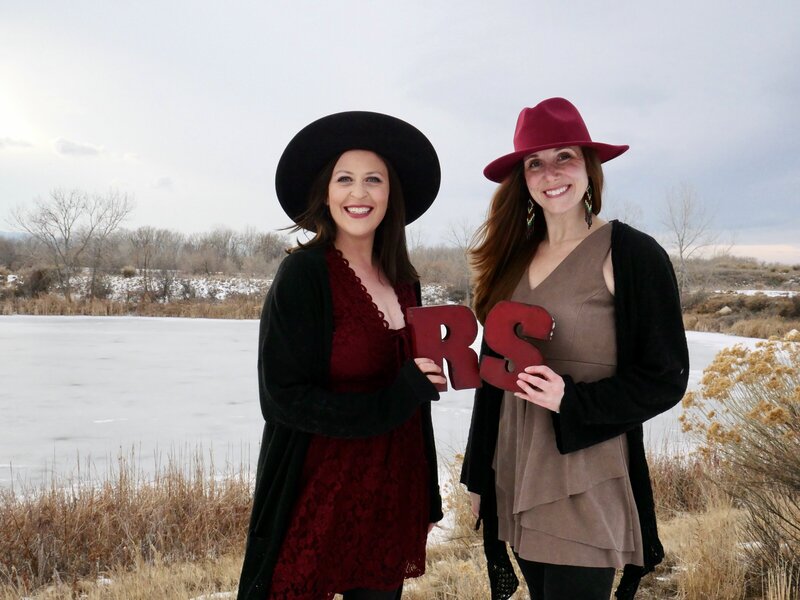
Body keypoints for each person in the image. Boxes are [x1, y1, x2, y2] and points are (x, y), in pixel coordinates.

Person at [460, 98, 690, 600]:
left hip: (586, 471)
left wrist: (572, 400)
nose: (550, 173)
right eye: (534, 163)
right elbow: (490, 374)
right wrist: (479, 475)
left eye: (563, 156)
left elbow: (665, 376)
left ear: (589, 165)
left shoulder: (630, 254)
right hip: (514, 464)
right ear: (522, 179)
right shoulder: (513, 255)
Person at [237, 111, 447, 600]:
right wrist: (396, 398)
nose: (359, 193)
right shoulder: (304, 276)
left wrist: (427, 497)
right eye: (345, 179)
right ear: (325, 193)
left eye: (373, 179)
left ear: (390, 193)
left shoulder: (405, 280)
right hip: (317, 494)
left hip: (391, 493)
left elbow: (416, 402)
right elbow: (282, 401)